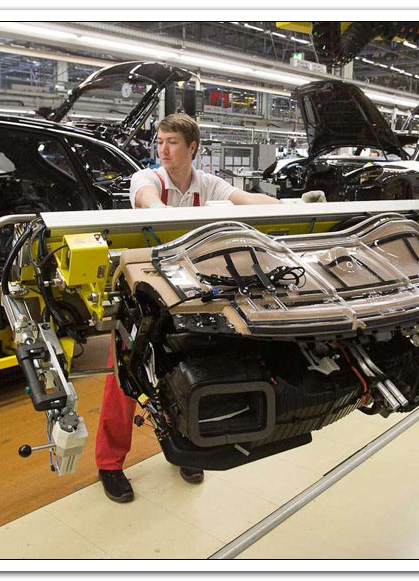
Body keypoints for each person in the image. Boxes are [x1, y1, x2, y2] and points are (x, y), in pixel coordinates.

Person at [97, 113, 281, 503]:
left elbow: (247, 200)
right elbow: (147, 201)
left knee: (184, 371)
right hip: (142, 293)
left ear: (192, 147)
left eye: (172, 142)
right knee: (125, 378)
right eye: (160, 141)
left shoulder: (209, 184)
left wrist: (284, 204)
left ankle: (185, 448)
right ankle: (109, 464)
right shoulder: (148, 179)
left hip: (187, 292)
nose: (163, 149)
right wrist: (162, 213)